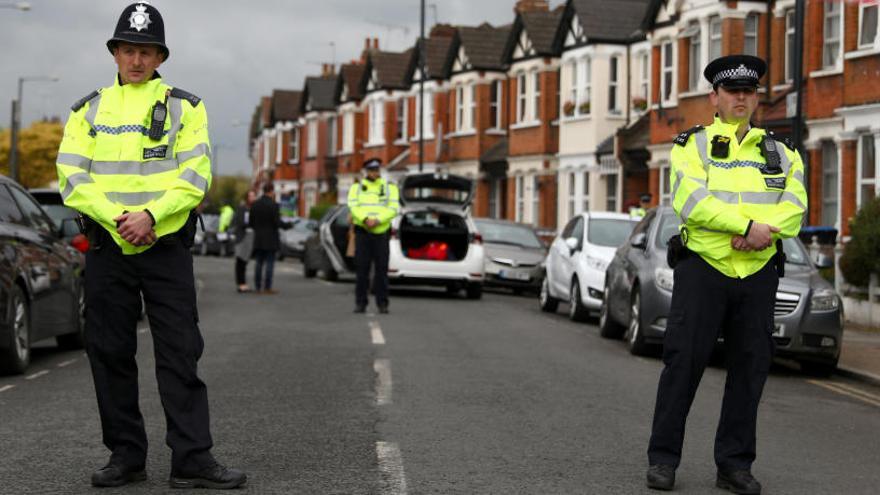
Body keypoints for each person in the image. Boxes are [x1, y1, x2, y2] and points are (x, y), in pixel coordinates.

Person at [55, 3, 246, 489]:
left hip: (163, 247)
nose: (136, 60)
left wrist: (151, 217)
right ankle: (125, 456)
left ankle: (192, 459)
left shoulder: (186, 106)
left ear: (160, 56)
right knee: (110, 352)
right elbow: (73, 178)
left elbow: (194, 175)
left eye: (146, 51)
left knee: (181, 352)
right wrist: (120, 220)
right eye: (128, 49)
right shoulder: (87, 110)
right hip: (108, 247)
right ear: (115, 53)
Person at [645, 55, 806, 494]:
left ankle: (734, 465)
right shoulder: (690, 145)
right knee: (683, 364)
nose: (741, 98)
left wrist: (761, 235)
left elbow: (794, 208)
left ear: (756, 98)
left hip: (756, 272)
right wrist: (746, 226)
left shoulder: (782, 151)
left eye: (748, 92)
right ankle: (662, 460)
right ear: (714, 97)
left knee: (750, 370)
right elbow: (692, 202)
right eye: (732, 91)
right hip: (705, 269)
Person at [347, 158, 400, 314]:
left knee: (382, 271)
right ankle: (360, 303)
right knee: (362, 270)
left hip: (381, 233)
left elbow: (393, 208)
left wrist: (377, 220)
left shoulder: (390, 188)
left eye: (376, 170)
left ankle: (382, 303)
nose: (374, 173)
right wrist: (365, 220)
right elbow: (353, 206)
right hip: (362, 232)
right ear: (365, 171)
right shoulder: (356, 188)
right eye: (371, 170)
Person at [249, 182, 284, 294]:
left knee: (259, 262)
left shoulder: (255, 205)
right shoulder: (274, 205)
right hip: (271, 239)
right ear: (271, 191)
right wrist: (288, 225)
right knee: (269, 263)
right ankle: (267, 287)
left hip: (258, 238)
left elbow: (251, 222)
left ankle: (258, 287)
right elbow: (277, 223)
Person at [231, 190, 256, 292]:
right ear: (247, 197)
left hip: (249, 237)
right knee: (240, 260)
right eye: (251, 196)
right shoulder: (242, 208)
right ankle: (240, 284)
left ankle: (243, 283)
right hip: (242, 237)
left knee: (245, 261)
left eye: (254, 196)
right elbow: (241, 222)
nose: (253, 198)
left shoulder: (253, 208)